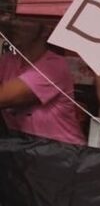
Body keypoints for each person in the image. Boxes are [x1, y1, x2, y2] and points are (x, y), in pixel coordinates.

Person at [0, 16, 86, 145]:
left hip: (63, 154)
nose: (15, 24)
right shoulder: (9, 60)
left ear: (46, 29)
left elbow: (4, 98)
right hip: (29, 151)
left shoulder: (54, 66)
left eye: (24, 19)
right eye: (14, 18)